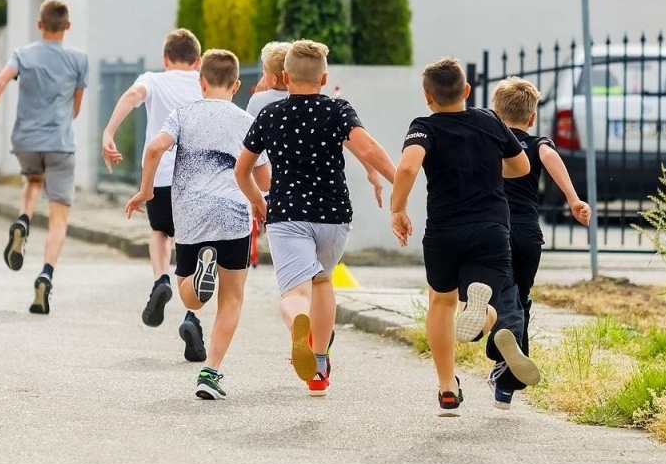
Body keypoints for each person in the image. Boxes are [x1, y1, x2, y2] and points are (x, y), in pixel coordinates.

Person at [235, 39, 398, 397]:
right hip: (334, 216)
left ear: (284, 77)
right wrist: (399, 186)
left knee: (295, 293)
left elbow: (242, 170)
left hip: (287, 214)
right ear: (324, 79)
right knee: (323, 282)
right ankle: (320, 367)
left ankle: (299, 322)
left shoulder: (269, 115)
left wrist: (256, 200)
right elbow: (368, 148)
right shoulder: (338, 110)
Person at [390, 57, 538, 416]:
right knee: (485, 299)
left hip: (444, 232)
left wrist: (398, 209)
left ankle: (447, 388)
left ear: (427, 96)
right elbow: (521, 166)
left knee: (441, 303)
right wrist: (489, 168)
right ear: (467, 90)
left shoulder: (423, 127)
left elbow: (408, 167)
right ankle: (484, 317)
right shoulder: (489, 121)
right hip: (490, 229)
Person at [124, 50, 270, 399]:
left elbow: (155, 149)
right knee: (231, 298)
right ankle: (210, 373)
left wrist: (146, 190)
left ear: (201, 82)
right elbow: (263, 179)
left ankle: (198, 277)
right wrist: (258, 200)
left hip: (191, 215)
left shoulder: (182, 114)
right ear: (236, 85)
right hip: (233, 215)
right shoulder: (246, 121)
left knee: (189, 296)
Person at [0, 0, 88, 316]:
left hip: (26, 141)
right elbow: (76, 109)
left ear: (39, 25)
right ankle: (45, 276)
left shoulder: (22, 55)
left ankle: (23, 219)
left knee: (33, 180)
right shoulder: (79, 59)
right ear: (67, 26)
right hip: (60, 144)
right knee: (58, 219)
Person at [101, 29, 205, 356]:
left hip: (159, 177)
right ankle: (191, 317)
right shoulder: (204, 82)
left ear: (165, 59)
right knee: (193, 247)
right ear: (197, 61)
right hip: (197, 180)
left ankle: (161, 279)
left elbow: (133, 95)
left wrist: (109, 132)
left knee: (160, 232)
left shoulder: (154, 80)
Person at [489, 77, 591, 405]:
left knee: (501, 299)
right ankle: (506, 385)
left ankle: (502, 343)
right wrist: (574, 199)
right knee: (521, 298)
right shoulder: (538, 144)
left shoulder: (491, 142)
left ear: (496, 113)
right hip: (528, 235)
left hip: (496, 231)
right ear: (532, 118)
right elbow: (550, 158)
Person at [245, 41, 291, 118]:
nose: (263, 77)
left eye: (264, 72)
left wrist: (257, 94)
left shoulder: (258, 100)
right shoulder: (301, 98)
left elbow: (249, 122)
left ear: (274, 79)